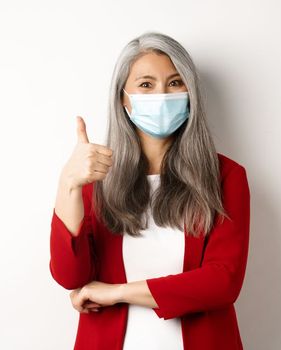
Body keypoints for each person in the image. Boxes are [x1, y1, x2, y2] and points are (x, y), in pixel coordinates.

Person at [49, 31, 251, 350]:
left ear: (190, 93)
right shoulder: (97, 178)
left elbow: (222, 282)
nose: (162, 94)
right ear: (123, 99)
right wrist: (68, 185)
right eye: (146, 84)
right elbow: (70, 277)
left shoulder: (225, 176)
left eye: (174, 82)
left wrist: (117, 292)